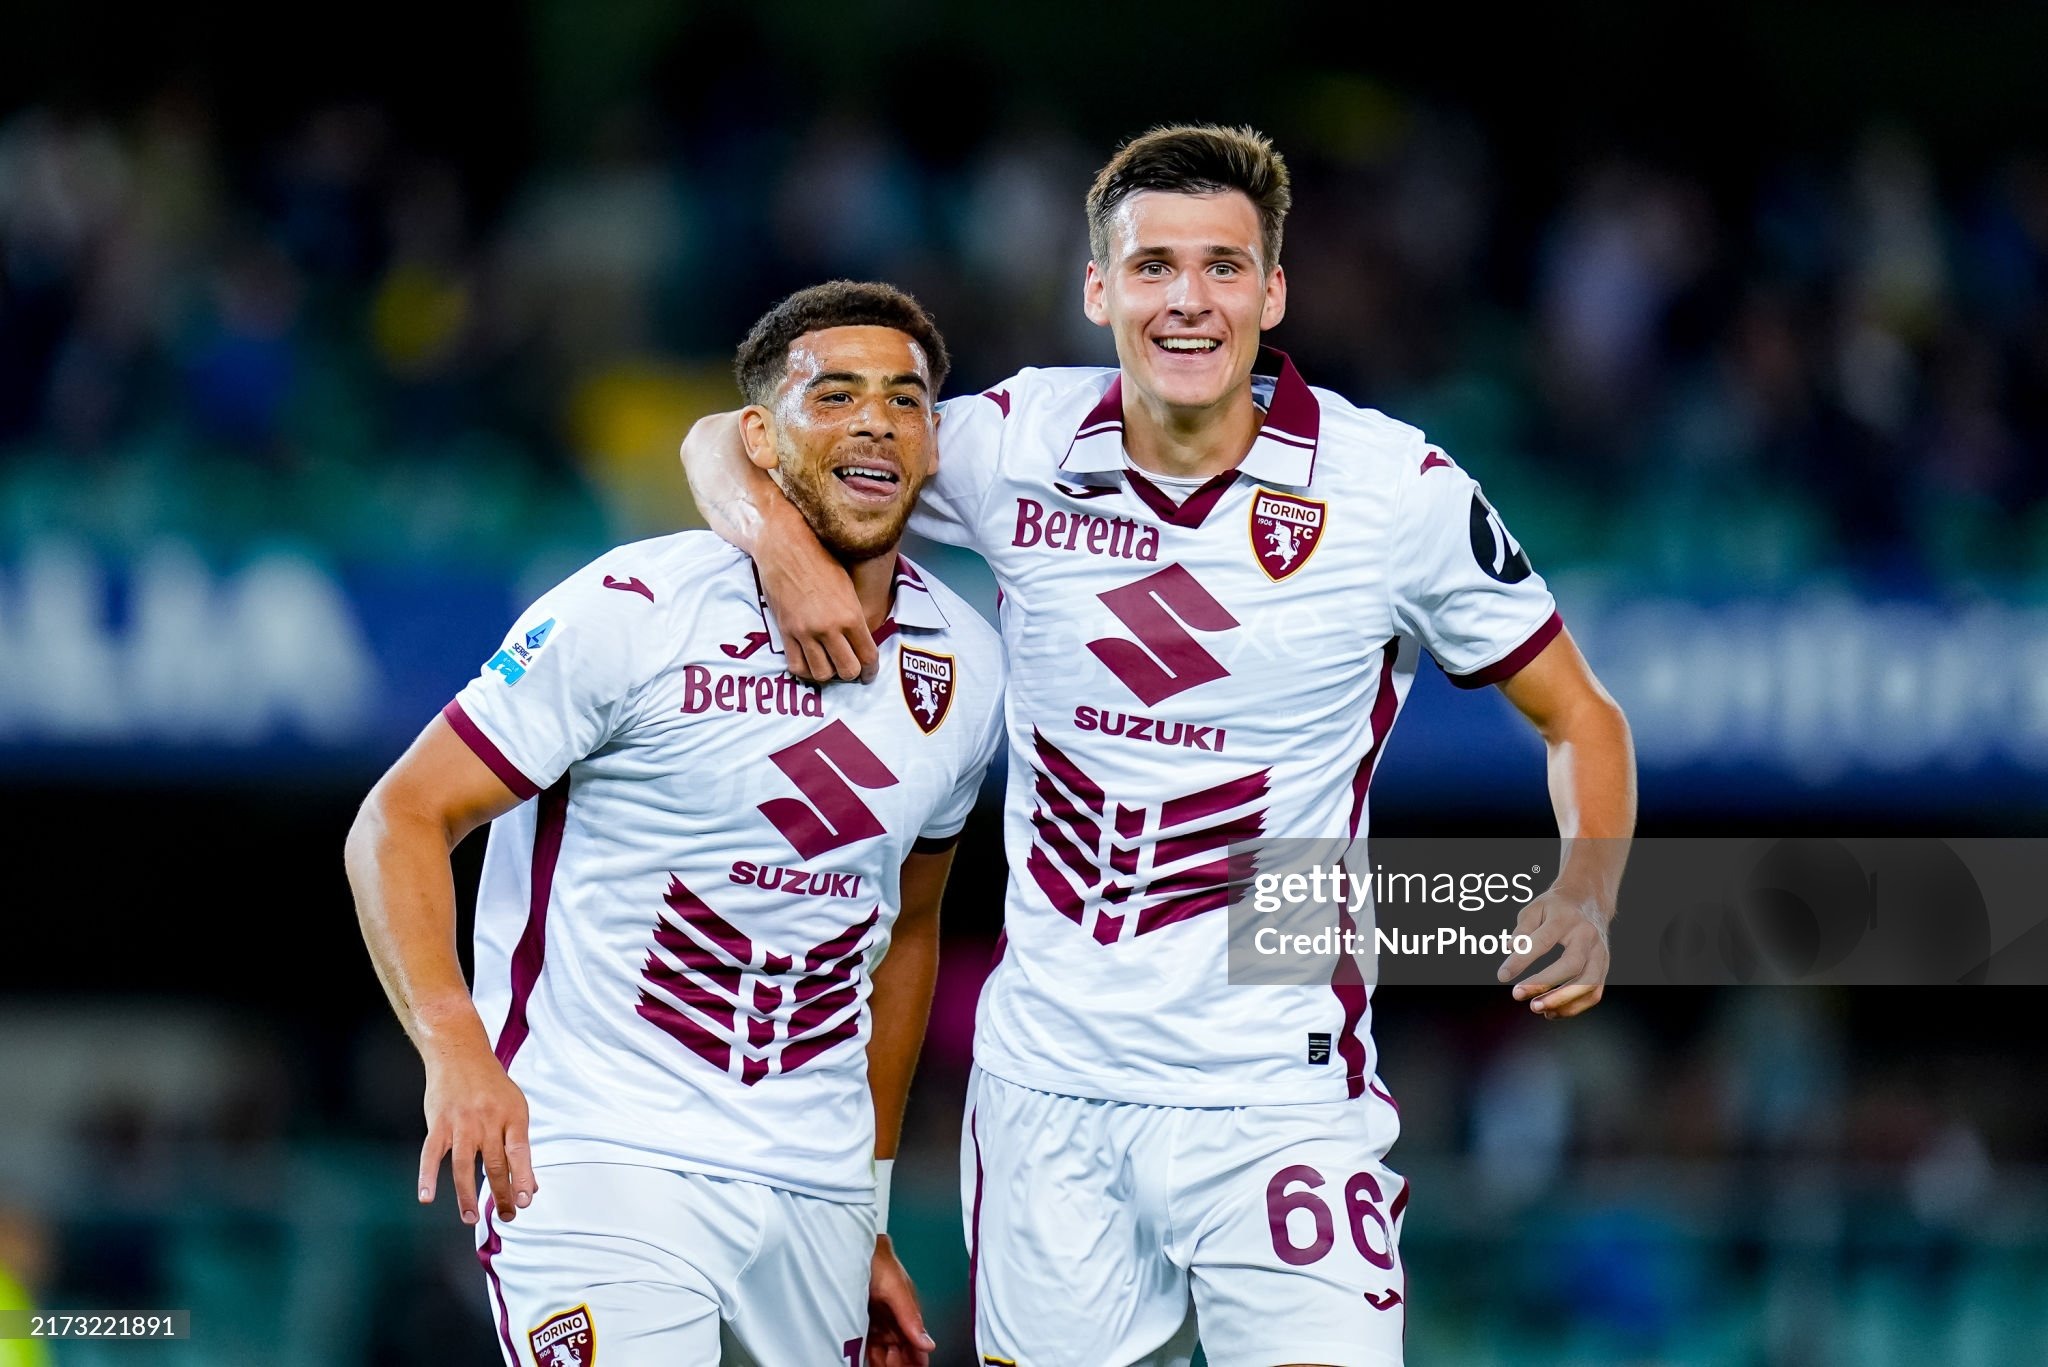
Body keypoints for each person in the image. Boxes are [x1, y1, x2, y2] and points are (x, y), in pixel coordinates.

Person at [683, 126, 1636, 1367]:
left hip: (1276, 1091)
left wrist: (1586, 886)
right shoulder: (1018, 439)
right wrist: (783, 548)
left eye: (1222, 267)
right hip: (1049, 1094)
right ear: (1098, 290)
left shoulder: (1392, 489)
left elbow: (1581, 716)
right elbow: (728, 438)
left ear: (1270, 292)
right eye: (1153, 267)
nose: (1188, 299)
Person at [348, 281, 1005, 1367]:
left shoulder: (967, 663)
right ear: (759, 438)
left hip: (815, 1178)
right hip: (595, 1146)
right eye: (834, 394)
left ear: (933, 444)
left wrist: (872, 1206)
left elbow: (908, 931)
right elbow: (399, 815)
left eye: (905, 400)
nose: (876, 421)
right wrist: (454, 1046)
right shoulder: (632, 607)